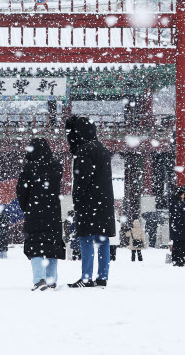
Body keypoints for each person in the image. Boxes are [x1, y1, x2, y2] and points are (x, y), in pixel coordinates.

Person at [64, 116, 115, 288]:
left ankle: (86, 277)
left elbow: (82, 179)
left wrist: (77, 198)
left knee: (86, 238)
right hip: (105, 201)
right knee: (102, 239)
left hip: (89, 201)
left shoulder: (84, 150)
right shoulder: (102, 149)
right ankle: (102, 277)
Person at [16, 138, 65, 291]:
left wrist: (27, 208)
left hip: (34, 213)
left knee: (36, 246)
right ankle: (51, 281)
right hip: (53, 213)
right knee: (52, 246)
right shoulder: (57, 168)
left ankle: (39, 280)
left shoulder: (28, 170)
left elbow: (21, 192)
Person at [170, 186, 185, 267]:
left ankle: (177, 260)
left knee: (177, 244)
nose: (184, 196)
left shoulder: (175, 202)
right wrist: (184, 226)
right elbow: (180, 217)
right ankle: (179, 260)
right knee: (180, 245)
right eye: (183, 194)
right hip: (180, 229)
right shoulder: (177, 203)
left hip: (177, 229)